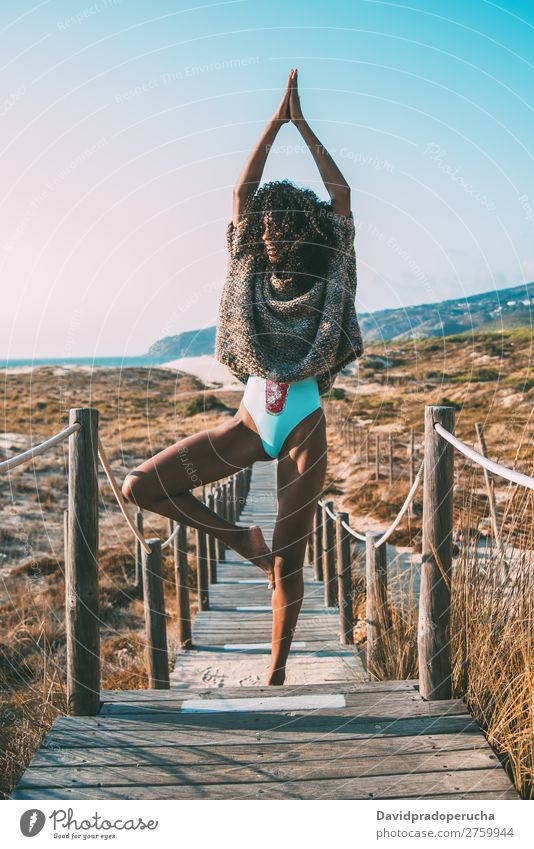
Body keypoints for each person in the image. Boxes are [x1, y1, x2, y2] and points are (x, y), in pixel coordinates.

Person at [121, 68, 364, 686]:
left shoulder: (330, 268)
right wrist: (273, 123)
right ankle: (237, 536)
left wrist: (304, 128)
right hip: (251, 421)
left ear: (302, 231)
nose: (270, 238)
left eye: (281, 229)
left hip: (303, 427)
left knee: (289, 564)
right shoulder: (248, 266)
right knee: (141, 486)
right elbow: (240, 194)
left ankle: (276, 673)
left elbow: (340, 198)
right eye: (264, 229)